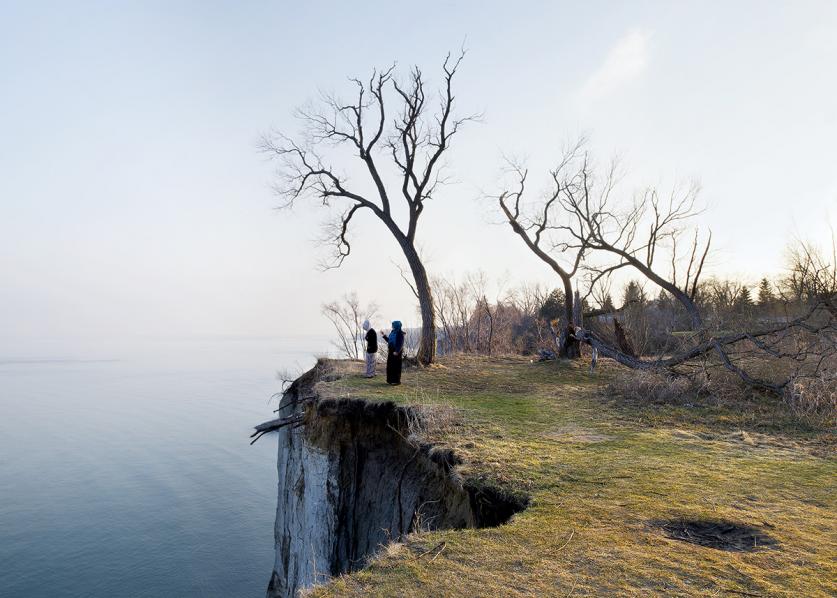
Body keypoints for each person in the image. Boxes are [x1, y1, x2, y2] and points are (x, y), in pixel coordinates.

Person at [381, 320, 405, 385]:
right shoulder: (392, 332)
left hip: (396, 352)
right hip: (391, 351)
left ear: (397, 326)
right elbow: (389, 341)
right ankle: (390, 380)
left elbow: (400, 344)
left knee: (396, 367)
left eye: (393, 325)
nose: (392, 326)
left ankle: (396, 381)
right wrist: (384, 335)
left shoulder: (400, 334)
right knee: (390, 366)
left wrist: (397, 351)